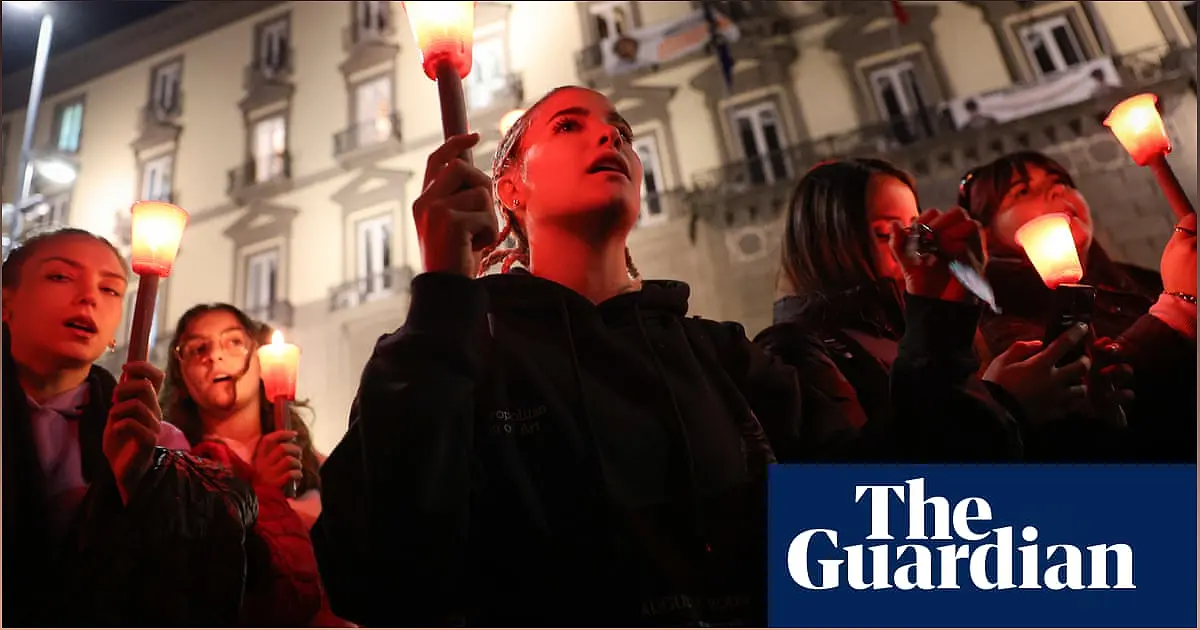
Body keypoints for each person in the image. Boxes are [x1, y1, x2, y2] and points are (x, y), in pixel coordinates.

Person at [313, 85, 833, 627]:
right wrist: (443, 290)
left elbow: (882, 525)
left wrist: (928, 316)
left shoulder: (721, 356)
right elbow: (373, 574)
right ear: (510, 190)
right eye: (568, 125)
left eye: (623, 133)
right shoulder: (455, 357)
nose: (610, 135)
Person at [756, 158, 1104, 462]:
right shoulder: (794, 351)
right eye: (884, 235)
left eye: (916, 230)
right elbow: (873, 485)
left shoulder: (931, 327)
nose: (912, 248)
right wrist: (1002, 404)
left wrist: (1069, 409)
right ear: (827, 244)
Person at [2, 228, 256, 626]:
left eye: (111, 290)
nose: (88, 297)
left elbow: (195, 592)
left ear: (116, 332)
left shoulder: (162, 445)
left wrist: (141, 484)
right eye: (60, 277)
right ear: (6, 302)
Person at [961, 150, 1196, 462]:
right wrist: (1178, 309)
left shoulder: (1136, 279)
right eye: (1022, 191)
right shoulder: (1003, 329)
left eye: (1060, 180)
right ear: (987, 234)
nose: (1057, 190)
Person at [161, 302, 349, 627]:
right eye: (197, 349)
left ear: (263, 361)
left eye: (233, 342)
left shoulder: (320, 467)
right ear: (182, 378)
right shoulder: (177, 469)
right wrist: (261, 495)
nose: (215, 356)